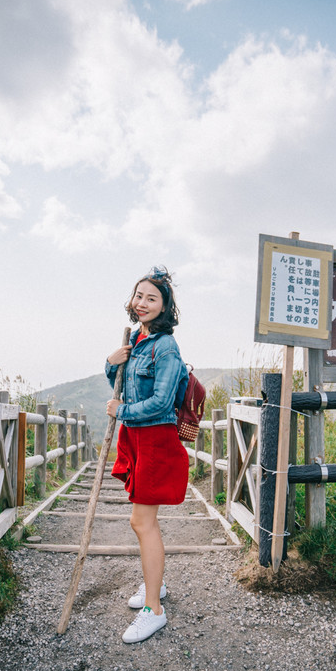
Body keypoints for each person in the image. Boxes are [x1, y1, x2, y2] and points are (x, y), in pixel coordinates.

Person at [105, 266, 189, 644]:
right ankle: (156, 584)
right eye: (139, 296)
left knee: (142, 523)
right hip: (136, 438)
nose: (142, 303)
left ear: (165, 306)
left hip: (154, 438)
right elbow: (122, 384)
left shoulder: (165, 346)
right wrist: (112, 363)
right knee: (143, 522)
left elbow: (161, 402)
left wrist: (119, 412)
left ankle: (154, 608)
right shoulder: (137, 339)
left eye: (151, 298)